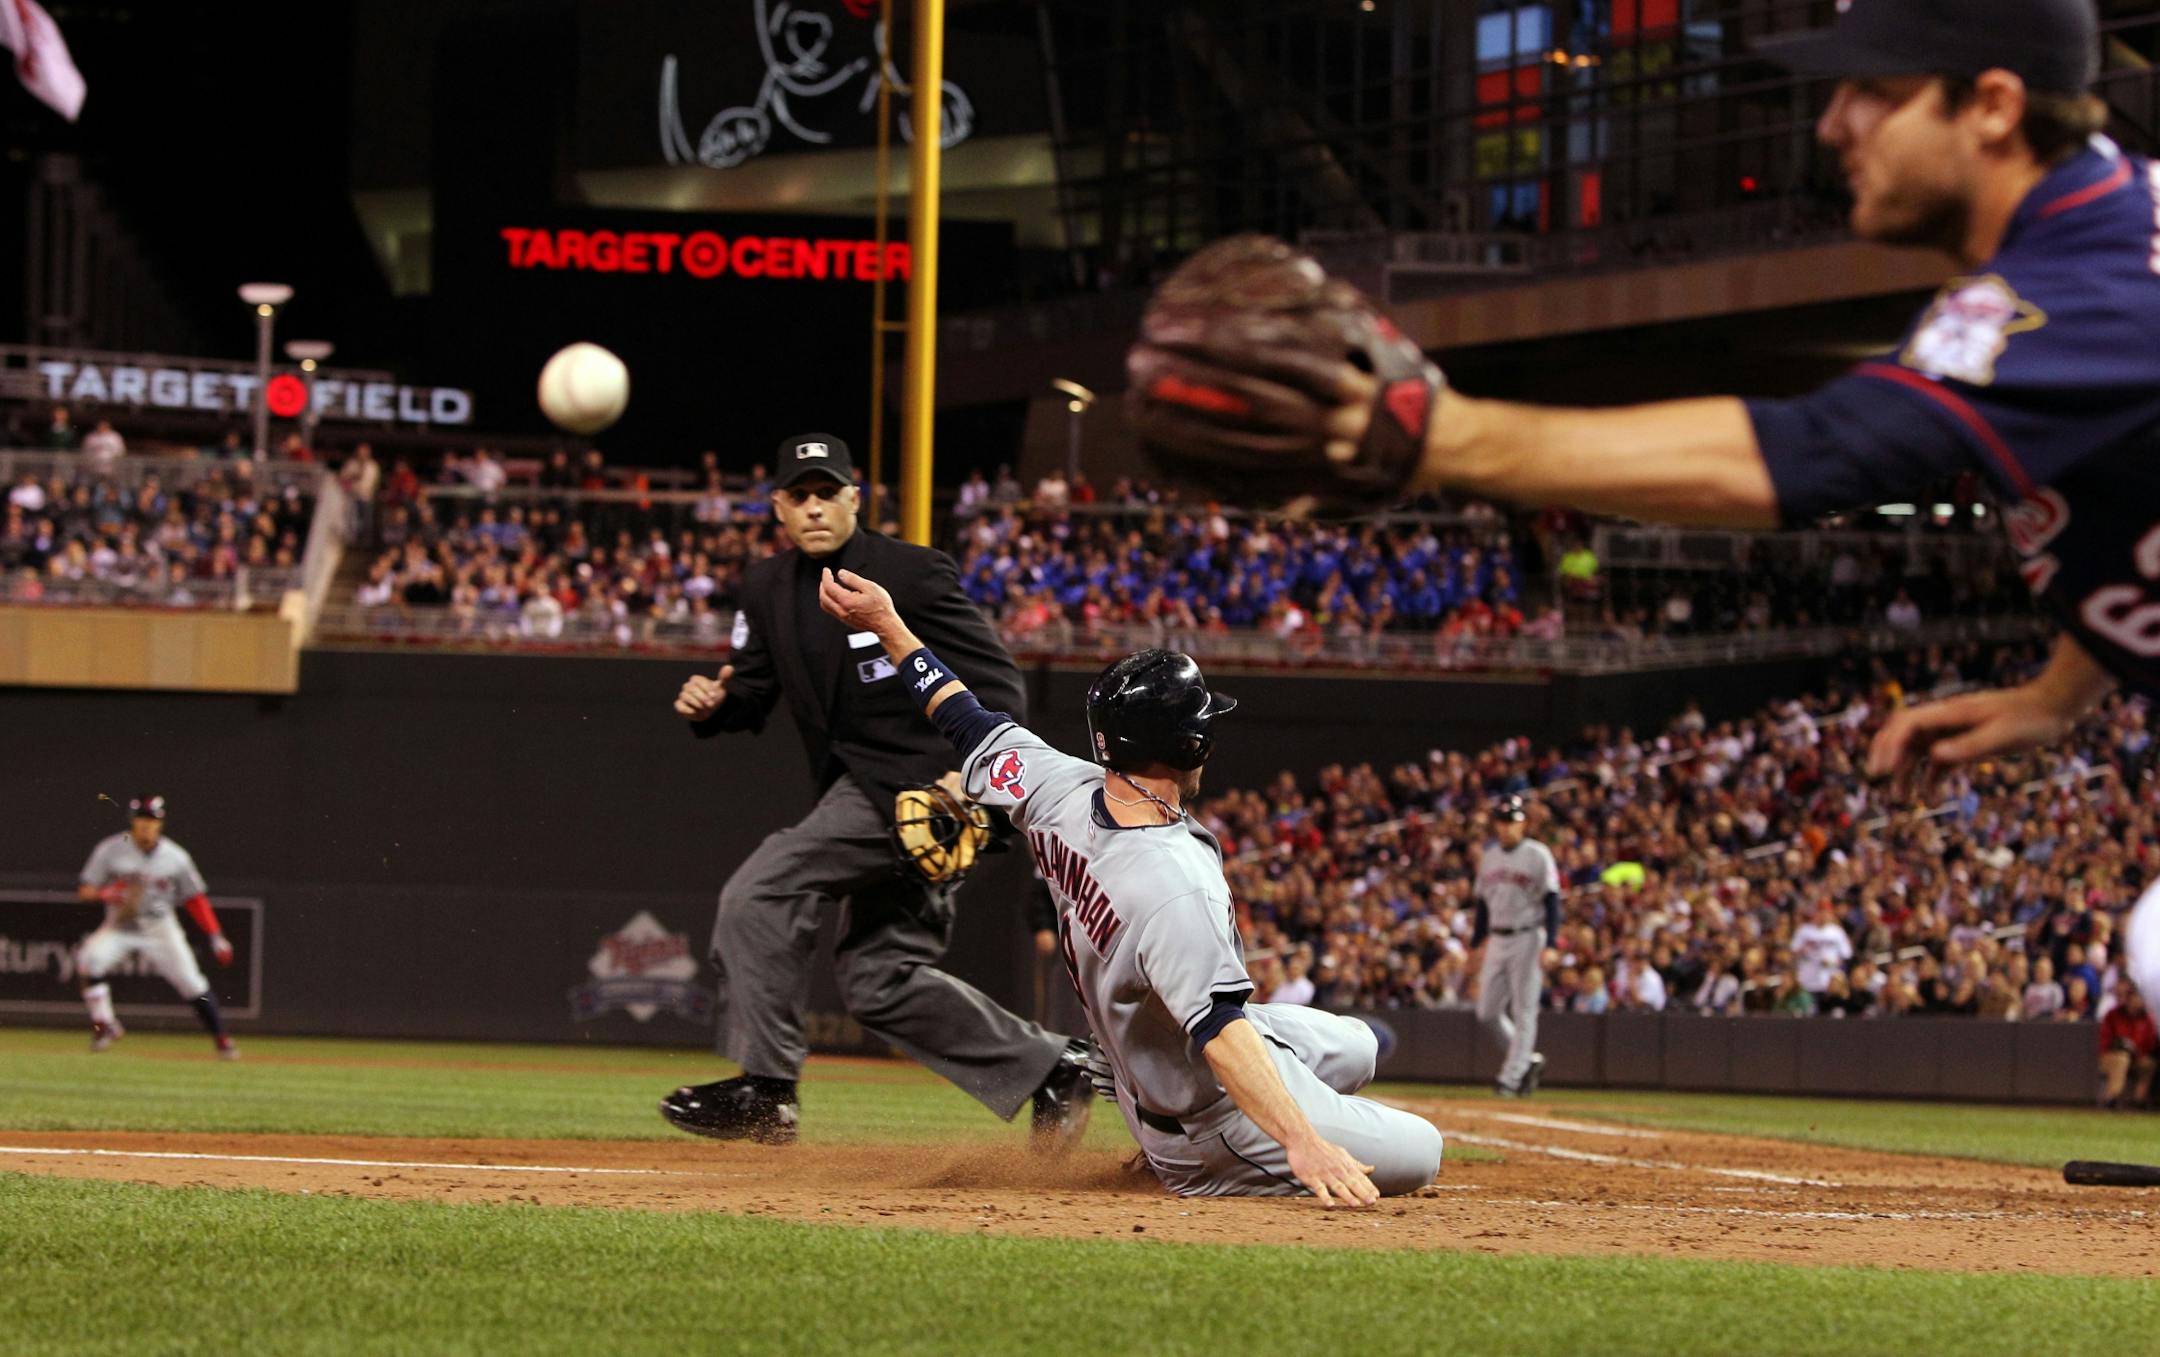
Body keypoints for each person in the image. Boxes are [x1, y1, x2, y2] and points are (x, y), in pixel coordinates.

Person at [819, 567, 1442, 1205]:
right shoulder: (1173, 887)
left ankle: (1269, 1102)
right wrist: (1302, 1141)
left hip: (1154, 1055)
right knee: (1425, 1151)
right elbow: (1221, 1033)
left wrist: (888, 627)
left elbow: (963, 718)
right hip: (1205, 1122)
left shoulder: (1058, 788)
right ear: (1192, 744)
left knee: (1359, 1045)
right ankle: (1209, 1158)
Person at [660, 433, 1090, 1149]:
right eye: (800, 495)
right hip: (863, 790)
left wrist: (969, 779)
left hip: (926, 789)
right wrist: (717, 701)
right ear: (778, 507)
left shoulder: (911, 573)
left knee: (761, 889)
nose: (816, 507)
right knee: (877, 981)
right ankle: (1051, 1069)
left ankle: (766, 1089)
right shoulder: (767, 587)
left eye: (828, 491)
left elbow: (998, 681)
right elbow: (754, 687)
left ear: (855, 497)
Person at [75, 795, 238, 1058]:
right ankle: (104, 1024)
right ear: (133, 821)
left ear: (160, 823)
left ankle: (222, 1038)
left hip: (159, 926)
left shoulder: (176, 856)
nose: (147, 825)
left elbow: (195, 899)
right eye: (142, 819)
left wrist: (216, 935)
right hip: (120, 924)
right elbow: (85, 890)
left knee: (192, 983)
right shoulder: (111, 849)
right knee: (89, 959)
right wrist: (104, 894)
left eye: (152, 820)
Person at [1471, 796, 1558, 1097]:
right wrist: (1476, 942)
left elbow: (1552, 899)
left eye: (1514, 820)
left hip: (1528, 936)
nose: (1508, 826)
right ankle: (1527, 1060)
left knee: (1524, 1010)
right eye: (1503, 820)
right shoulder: (1490, 856)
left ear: (1523, 823)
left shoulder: (1538, 854)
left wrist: (1553, 942)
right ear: (1496, 824)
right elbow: (1482, 904)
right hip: (1496, 937)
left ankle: (1511, 1078)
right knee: (1486, 1011)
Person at [2095, 982, 2156, 1109]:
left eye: (2139, 998)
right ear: (2127, 999)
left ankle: (2139, 1101)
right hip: (2112, 1057)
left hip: (2137, 1058)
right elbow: (2105, 1042)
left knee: (2148, 1064)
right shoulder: (2113, 1015)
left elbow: (2151, 1043)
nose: (2136, 1001)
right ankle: (2112, 1098)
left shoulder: (2147, 1018)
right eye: (2133, 997)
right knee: (2122, 1059)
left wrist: (2140, 1053)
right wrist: (2120, 1046)